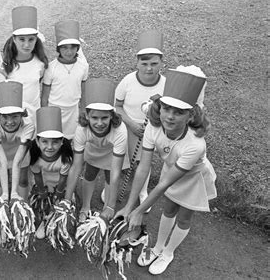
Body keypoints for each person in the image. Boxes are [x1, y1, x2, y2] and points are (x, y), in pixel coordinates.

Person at [115, 68, 217, 275]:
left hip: (194, 178)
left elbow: (163, 185)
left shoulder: (195, 145)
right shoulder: (154, 127)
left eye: (179, 112)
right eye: (166, 109)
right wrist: (129, 206)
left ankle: (168, 253)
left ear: (191, 115)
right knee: (168, 209)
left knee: (184, 216)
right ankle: (158, 247)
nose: (170, 116)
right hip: (171, 169)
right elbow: (143, 167)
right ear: (159, 107)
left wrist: (139, 211)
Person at [64, 78, 128, 223]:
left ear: (112, 115)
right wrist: (67, 200)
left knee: (109, 175)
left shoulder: (120, 131)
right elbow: (76, 166)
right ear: (87, 115)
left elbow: (116, 171)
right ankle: (85, 207)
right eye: (94, 117)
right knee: (90, 173)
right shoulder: (81, 129)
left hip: (112, 154)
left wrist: (112, 206)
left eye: (104, 117)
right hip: (93, 150)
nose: (99, 123)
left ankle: (106, 209)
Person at [115, 30, 166, 209]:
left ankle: (142, 191)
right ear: (137, 62)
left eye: (154, 63)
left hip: (152, 130)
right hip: (127, 127)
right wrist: (132, 125)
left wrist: (155, 124)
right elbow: (117, 107)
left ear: (161, 62)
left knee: (143, 162)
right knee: (123, 159)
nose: (149, 68)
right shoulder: (128, 81)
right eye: (144, 63)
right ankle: (113, 187)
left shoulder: (165, 84)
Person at [29, 106, 73, 238]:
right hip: (42, 185)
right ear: (37, 141)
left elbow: (63, 178)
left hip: (60, 186)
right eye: (44, 141)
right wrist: (41, 191)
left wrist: (58, 193)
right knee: (42, 204)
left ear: (61, 142)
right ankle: (44, 220)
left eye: (55, 142)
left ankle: (56, 222)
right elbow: (37, 176)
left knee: (60, 205)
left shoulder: (65, 159)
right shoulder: (34, 157)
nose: (49, 147)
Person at [41, 20, 89, 140]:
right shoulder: (51, 68)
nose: (69, 52)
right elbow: (45, 96)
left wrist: (83, 111)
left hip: (73, 111)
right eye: (65, 48)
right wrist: (46, 116)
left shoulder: (83, 66)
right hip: (54, 111)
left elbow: (83, 92)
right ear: (58, 49)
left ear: (78, 48)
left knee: (71, 140)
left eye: (73, 47)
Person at [0, 81, 35, 200]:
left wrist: (13, 193)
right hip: (0, 153)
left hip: (20, 151)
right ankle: (1, 202)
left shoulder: (28, 125)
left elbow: (17, 162)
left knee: (23, 178)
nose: (10, 122)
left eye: (15, 116)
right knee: (0, 178)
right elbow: (2, 161)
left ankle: (23, 203)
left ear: (22, 115)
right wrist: (6, 193)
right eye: (5, 117)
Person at [2, 6, 48, 124]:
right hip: (14, 119)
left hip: (35, 117)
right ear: (14, 39)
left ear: (36, 39)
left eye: (31, 39)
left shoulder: (40, 63)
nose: (26, 45)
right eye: (22, 39)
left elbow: (37, 82)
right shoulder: (6, 66)